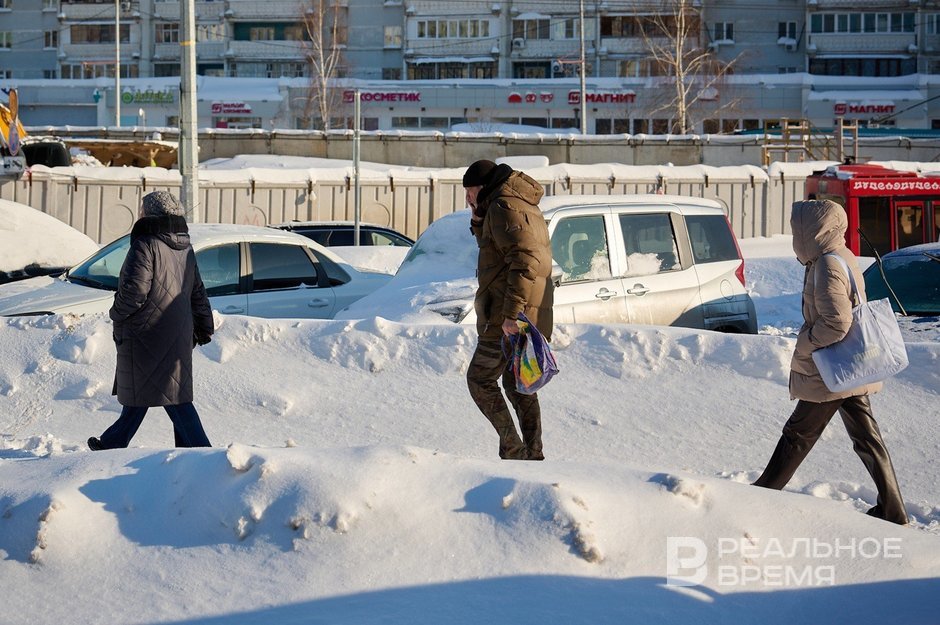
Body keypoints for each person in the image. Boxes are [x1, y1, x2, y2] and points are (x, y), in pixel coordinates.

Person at [753, 199, 907, 524]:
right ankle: (893, 510)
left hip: (832, 369)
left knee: (797, 435)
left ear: (811, 231)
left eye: (798, 229)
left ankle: (758, 497)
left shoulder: (827, 265)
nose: (795, 235)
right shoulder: (840, 255)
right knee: (867, 438)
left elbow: (837, 323)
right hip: (851, 365)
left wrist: (805, 343)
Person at [88, 190, 214, 450]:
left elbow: (134, 292)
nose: (140, 213)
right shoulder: (184, 246)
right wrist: (203, 325)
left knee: (172, 399)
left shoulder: (145, 243)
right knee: (152, 392)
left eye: (143, 208)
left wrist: (116, 314)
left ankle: (203, 454)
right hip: (177, 332)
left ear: (151, 212)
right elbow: (197, 291)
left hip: (146, 332)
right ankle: (114, 442)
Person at [463, 159, 554, 460]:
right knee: (518, 383)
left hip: (507, 314)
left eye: (470, 191)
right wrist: (478, 220)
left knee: (480, 379)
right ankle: (532, 454)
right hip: (526, 311)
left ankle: (515, 451)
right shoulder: (517, 202)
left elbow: (524, 261)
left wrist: (511, 314)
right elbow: (498, 251)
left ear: (483, 187)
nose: (467, 198)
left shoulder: (504, 206)